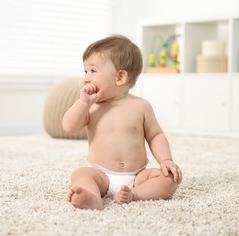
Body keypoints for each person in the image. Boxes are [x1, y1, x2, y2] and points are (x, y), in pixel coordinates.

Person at [62, 34, 182, 210]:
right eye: (85, 71)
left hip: (137, 177)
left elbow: (155, 135)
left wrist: (166, 160)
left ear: (120, 77)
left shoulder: (141, 106)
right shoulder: (91, 106)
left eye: (93, 71)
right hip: (100, 174)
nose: (86, 78)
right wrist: (83, 103)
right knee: (80, 174)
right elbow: (69, 127)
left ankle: (135, 194)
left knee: (169, 180)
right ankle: (93, 197)